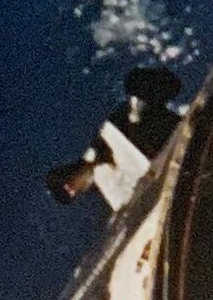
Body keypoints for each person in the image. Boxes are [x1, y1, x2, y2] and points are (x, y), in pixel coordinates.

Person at [45, 62, 183, 209]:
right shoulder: (107, 185)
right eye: (70, 193)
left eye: (67, 185)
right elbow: (132, 202)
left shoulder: (106, 139)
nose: (72, 189)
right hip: (165, 168)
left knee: (135, 84)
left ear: (68, 172)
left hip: (164, 138)